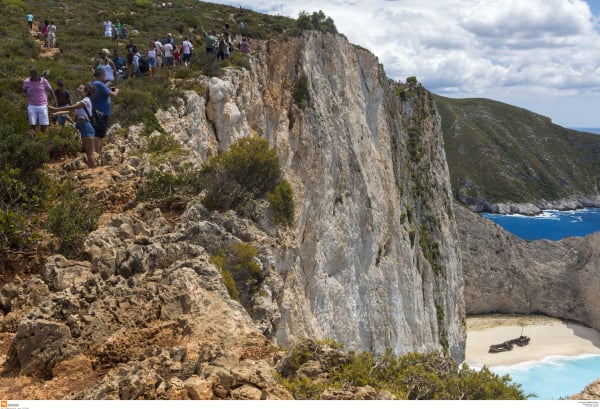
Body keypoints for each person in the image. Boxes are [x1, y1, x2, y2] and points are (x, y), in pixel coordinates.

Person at [49, 83, 98, 168]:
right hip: (83, 127)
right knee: (89, 153)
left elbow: (70, 108)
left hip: (86, 127)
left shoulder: (85, 100)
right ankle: (93, 169)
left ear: (86, 92)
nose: (78, 89)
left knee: (90, 153)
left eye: (80, 88)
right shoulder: (81, 101)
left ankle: (95, 171)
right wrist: (56, 113)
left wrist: (56, 109)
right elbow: (68, 111)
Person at [90, 68, 118, 159]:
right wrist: (117, 91)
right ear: (101, 75)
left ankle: (98, 154)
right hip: (102, 113)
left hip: (97, 112)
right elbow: (113, 95)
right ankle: (97, 155)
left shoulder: (94, 84)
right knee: (98, 135)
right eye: (104, 75)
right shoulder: (99, 84)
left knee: (99, 134)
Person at [22, 68, 57, 132]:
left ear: (37, 74)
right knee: (32, 124)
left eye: (34, 76)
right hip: (32, 105)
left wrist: (54, 100)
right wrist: (26, 94)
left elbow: (50, 90)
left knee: (44, 124)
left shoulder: (44, 81)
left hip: (43, 105)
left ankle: (42, 137)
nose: (33, 77)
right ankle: (34, 137)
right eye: (31, 76)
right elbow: (23, 93)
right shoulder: (27, 81)